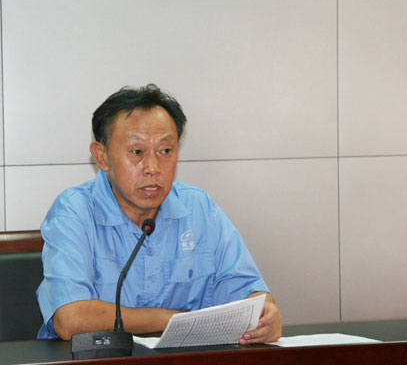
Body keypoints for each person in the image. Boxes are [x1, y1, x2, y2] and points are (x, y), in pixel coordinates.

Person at [36, 84, 281, 344]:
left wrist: (266, 314)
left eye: (165, 151)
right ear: (102, 156)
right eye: (137, 152)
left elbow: (248, 292)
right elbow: (71, 319)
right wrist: (178, 321)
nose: (153, 167)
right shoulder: (74, 212)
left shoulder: (198, 208)